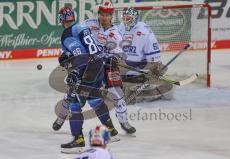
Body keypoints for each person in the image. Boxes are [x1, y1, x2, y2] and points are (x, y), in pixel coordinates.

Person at [56, 6, 118, 153]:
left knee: (74, 102)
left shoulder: (67, 34)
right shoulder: (81, 27)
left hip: (87, 68)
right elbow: (92, 48)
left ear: (61, 20)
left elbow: (80, 55)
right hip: (98, 64)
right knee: (94, 99)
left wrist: (75, 72)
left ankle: (78, 140)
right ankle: (110, 131)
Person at [83, 0, 136, 134]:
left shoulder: (116, 32)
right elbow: (75, 35)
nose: (104, 17)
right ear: (99, 13)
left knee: (118, 94)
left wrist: (114, 57)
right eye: (102, 14)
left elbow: (121, 54)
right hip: (90, 64)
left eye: (107, 14)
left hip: (107, 66)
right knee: (78, 92)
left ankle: (123, 121)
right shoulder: (89, 24)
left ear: (111, 16)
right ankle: (64, 115)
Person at [118, 7, 174, 102]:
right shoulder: (120, 28)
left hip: (138, 71)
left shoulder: (145, 32)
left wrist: (154, 70)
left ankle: (144, 88)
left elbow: (154, 59)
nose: (125, 21)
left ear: (135, 19)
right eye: (124, 18)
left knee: (164, 87)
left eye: (128, 19)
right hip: (123, 69)